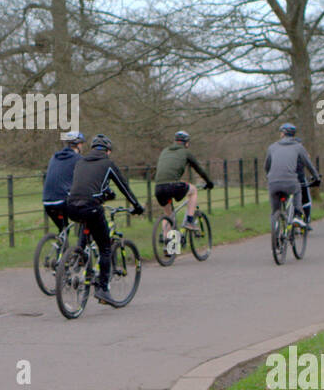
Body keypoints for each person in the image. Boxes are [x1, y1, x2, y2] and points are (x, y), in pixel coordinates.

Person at [65, 135, 144, 305]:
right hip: (91, 207)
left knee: (86, 232)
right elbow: (124, 187)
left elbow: (86, 183)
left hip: (71, 206)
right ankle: (103, 289)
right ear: (108, 151)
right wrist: (137, 206)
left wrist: (105, 192)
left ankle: (78, 257)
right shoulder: (107, 164)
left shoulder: (80, 162)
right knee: (106, 248)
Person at [153, 130, 214, 237]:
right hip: (173, 185)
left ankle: (168, 245)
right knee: (193, 190)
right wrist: (209, 182)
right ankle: (189, 221)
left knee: (169, 215)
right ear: (186, 143)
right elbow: (199, 169)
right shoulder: (186, 152)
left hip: (158, 187)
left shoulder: (165, 151)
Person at [264, 123, 320, 229]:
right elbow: (309, 165)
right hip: (290, 182)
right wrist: (317, 177)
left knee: (275, 210)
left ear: (283, 134)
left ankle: (275, 232)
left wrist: (269, 177)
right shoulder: (298, 147)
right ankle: (298, 216)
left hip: (273, 183)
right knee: (297, 189)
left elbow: (266, 166)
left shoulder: (272, 147)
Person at [42, 131, 84, 232]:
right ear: (78, 144)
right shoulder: (79, 159)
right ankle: (81, 246)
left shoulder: (54, 157)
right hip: (63, 201)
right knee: (87, 217)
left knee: (63, 230)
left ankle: (61, 246)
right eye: (82, 144)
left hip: (47, 201)